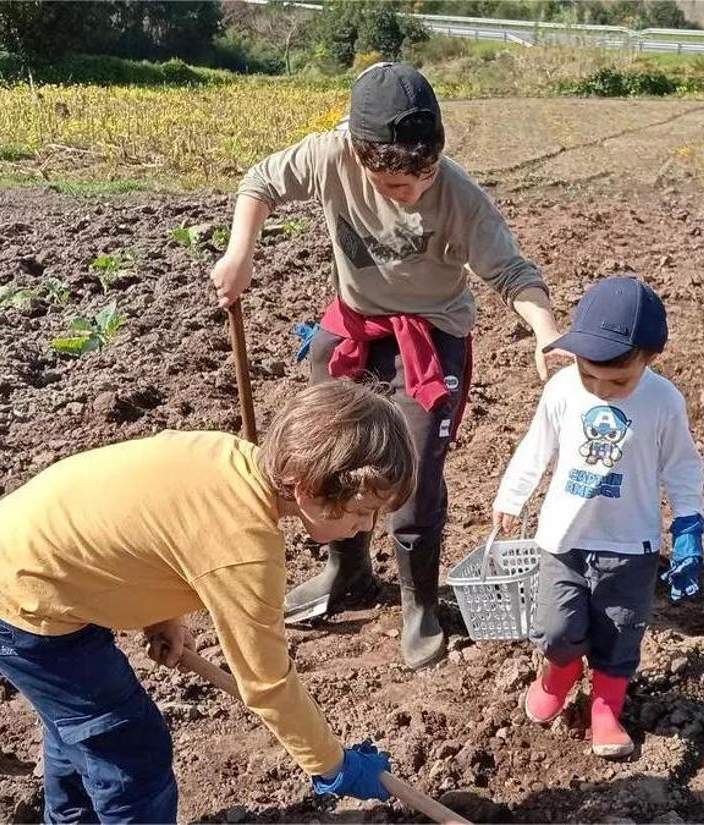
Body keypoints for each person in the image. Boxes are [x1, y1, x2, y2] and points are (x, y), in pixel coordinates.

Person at [210, 62, 560, 671]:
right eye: (398, 185)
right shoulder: (330, 156)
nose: (416, 192)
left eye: (425, 175)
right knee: (330, 458)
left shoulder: (458, 196)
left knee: (414, 470)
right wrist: (240, 254)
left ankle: (418, 600)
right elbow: (260, 180)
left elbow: (513, 273)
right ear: (357, 152)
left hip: (429, 338)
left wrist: (546, 332)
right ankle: (347, 570)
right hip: (352, 328)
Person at [0, 382, 414, 822]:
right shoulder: (244, 550)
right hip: (19, 603)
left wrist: (162, 618)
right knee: (127, 747)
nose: (366, 526)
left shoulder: (225, 455)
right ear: (307, 489)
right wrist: (332, 765)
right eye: (360, 512)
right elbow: (267, 684)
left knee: (80, 731)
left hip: (20, 558)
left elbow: (148, 525)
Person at [492, 276, 704, 758]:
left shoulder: (663, 402)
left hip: (631, 546)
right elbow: (536, 447)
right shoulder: (564, 390)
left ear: (649, 359)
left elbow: (683, 467)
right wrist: (512, 496)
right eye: (591, 376)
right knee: (557, 627)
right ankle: (557, 675)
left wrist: (689, 523)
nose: (602, 390)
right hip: (562, 540)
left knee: (620, 631)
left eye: (619, 382)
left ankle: (606, 707)